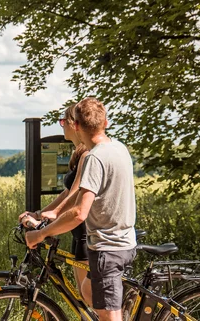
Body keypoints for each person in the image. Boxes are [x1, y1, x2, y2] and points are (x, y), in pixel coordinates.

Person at [25, 97, 137, 321]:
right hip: (124, 242)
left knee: (109, 316)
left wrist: (41, 233)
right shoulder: (119, 148)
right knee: (101, 308)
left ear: (76, 126)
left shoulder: (95, 158)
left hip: (108, 247)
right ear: (105, 123)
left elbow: (79, 213)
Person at [18, 104, 93, 304]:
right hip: (79, 232)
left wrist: (53, 214)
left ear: (73, 124)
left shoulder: (87, 156)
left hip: (85, 229)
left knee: (90, 299)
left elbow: (77, 192)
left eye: (62, 122)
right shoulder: (80, 154)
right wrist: (39, 213)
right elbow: (67, 192)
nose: (61, 126)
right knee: (84, 298)